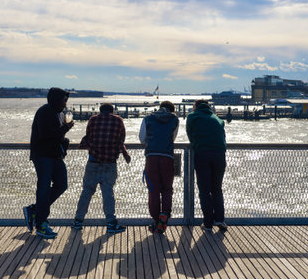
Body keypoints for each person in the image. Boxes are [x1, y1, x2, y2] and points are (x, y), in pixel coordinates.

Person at [71, 103, 131, 234]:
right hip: (110, 163)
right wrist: (123, 153)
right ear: (112, 111)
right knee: (108, 193)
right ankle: (110, 223)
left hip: (93, 161)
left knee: (86, 192)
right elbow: (122, 139)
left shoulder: (93, 119)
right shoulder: (118, 120)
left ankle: (78, 221)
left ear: (100, 111)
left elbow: (88, 136)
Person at [24, 87, 74, 239]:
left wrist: (64, 138)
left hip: (54, 155)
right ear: (55, 99)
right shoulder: (45, 112)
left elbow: (57, 136)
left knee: (61, 185)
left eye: (66, 100)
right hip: (43, 155)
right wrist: (66, 128)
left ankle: (35, 210)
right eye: (64, 100)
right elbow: (47, 135)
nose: (65, 104)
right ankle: (41, 224)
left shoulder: (58, 113)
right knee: (44, 187)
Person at [186, 99, 228, 232]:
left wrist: (197, 144)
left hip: (202, 154)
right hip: (219, 155)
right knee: (217, 189)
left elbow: (190, 134)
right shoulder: (217, 119)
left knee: (204, 190)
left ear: (195, 107)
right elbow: (223, 136)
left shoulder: (192, 116)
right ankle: (220, 220)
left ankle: (208, 223)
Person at [139, 101, 179, 234]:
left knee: (153, 189)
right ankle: (165, 214)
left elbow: (142, 138)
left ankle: (156, 220)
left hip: (151, 156)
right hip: (167, 156)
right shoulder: (174, 119)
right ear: (172, 109)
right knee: (167, 189)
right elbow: (173, 138)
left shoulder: (148, 118)